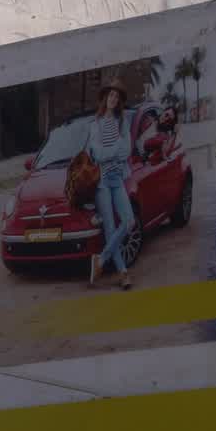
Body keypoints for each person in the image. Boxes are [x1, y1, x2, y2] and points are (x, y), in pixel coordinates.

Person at [87, 83, 136, 290]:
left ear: (119, 102)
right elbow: (97, 154)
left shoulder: (122, 122)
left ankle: (100, 260)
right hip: (103, 183)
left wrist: (112, 150)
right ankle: (123, 273)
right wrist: (115, 149)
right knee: (110, 228)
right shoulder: (95, 124)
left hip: (117, 179)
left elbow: (127, 151)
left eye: (117, 96)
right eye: (111, 95)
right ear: (105, 98)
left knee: (128, 222)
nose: (113, 99)